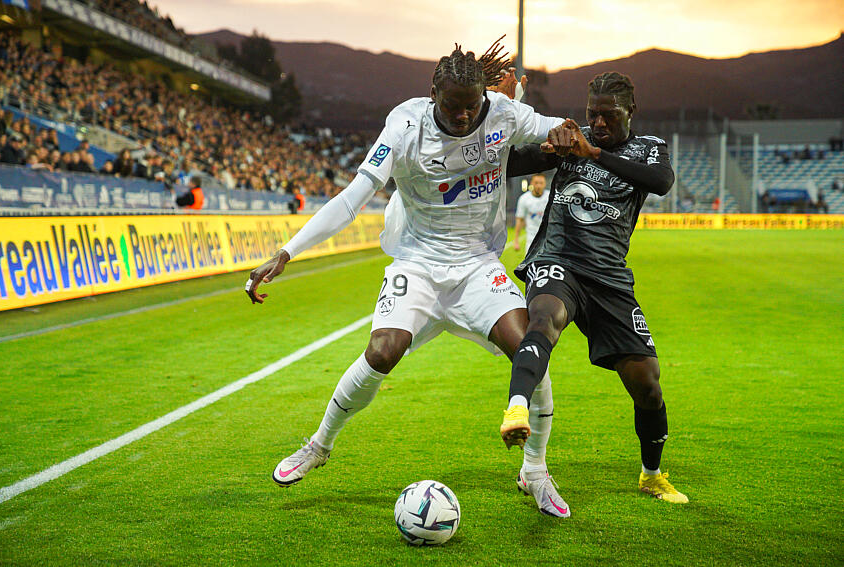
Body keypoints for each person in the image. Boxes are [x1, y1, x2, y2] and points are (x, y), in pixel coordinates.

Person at [246, 40, 572, 517]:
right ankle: (317, 446)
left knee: (529, 350)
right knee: (381, 350)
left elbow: (557, 128)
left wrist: (567, 133)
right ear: (432, 93)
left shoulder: (502, 113)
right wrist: (287, 251)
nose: (463, 116)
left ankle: (535, 471)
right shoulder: (404, 127)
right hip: (417, 264)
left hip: (478, 266)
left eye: (472, 106)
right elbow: (352, 198)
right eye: (452, 106)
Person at [500, 71, 688, 504]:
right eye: (592, 116)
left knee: (647, 383)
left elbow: (660, 182)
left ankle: (652, 476)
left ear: (630, 112)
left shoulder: (648, 147)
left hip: (609, 277)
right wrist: (517, 126)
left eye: (609, 115)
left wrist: (595, 151)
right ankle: (516, 408)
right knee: (545, 318)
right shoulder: (570, 139)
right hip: (558, 259)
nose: (598, 123)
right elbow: (510, 165)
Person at [513, 173, 549, 254]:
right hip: (531, 238)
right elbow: (519, 219)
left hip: (548, 238)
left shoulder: (550, 197)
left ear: (545, 184)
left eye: (541, 183)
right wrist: (516, 240)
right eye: (536, 183)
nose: (538, 186)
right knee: (529, 264)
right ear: (531, 183)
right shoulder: (524, 199)